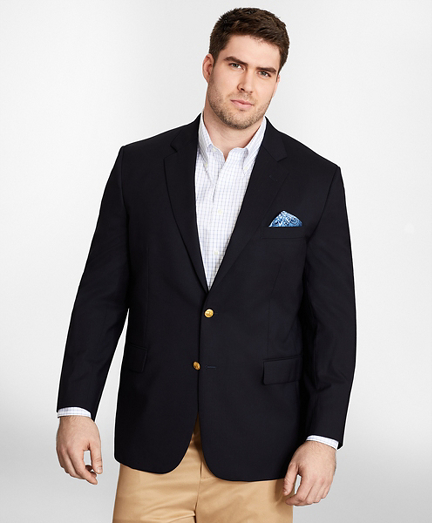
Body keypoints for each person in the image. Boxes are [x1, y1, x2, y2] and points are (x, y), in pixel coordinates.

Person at [56, 7, 356, 522]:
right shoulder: (139, 166)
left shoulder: (316, 180)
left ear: (277, 81)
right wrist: (76, 408)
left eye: (264, 72)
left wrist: (323, 437)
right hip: (154, 440)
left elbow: (332, 323)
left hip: (261, 449)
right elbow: (100, 298)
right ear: (209, 66)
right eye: (236, 65)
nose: (247, 85)